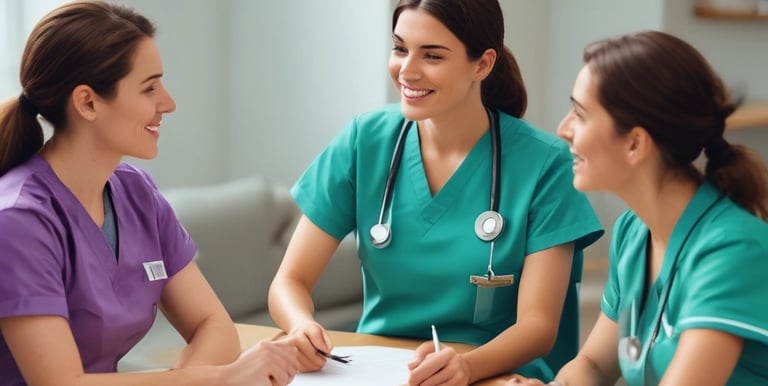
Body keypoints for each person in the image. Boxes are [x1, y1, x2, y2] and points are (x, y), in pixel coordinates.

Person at [267, 0, 603, 384]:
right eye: (399, 49)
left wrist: (466, 367)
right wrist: (300, 326)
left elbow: (538, 326)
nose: (407, 71)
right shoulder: (365, 140)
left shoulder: (545, 163)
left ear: (483, 64)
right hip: (378, 371)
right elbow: (289, 281)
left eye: (432, 55)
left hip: (496, 373)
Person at [0, 2, 298, 385]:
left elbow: (214, 326)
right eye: (149, 88)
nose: (168, 104)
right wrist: (225, 377)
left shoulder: (136, 192)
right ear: (88, 102)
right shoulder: (19, 220)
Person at [509, 30, 768, 386]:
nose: (563, 128)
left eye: (580, 115)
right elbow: (595, 366)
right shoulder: (634, 232)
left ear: (634, 143)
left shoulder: (732, 251)